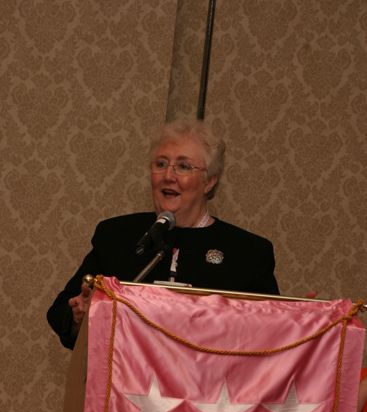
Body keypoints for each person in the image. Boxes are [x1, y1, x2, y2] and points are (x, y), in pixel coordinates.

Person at [47, 118, 279, 350]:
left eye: (183, 166)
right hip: (124, 381)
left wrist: (306, 321)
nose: (168, 175)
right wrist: (79, 316)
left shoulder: (248, 253)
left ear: (209, 181)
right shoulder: (117, 236)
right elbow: (61, 312)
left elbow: (273, 333)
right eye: (160, 164)